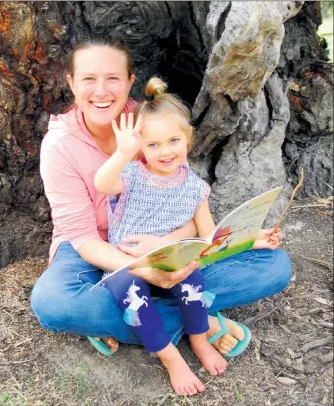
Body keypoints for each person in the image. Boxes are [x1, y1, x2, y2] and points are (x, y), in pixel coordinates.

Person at [30, 34, 291, 397]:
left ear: (130, 82)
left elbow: (182, 197)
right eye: (89, 78)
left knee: (275, 266)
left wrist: (168, 245)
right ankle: (199, 320)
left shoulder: (152, 121)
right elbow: (82, 235)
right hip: (90, 247)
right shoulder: (60, 145)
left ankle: (121, 317)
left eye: (113, 78)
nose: (101, 90)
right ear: (72, 83)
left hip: (160, 240)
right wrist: (138, 267)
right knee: (52, 302)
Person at [93, 76, 235, 393]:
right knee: (129, 292)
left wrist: (240, 236)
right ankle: (172, 359)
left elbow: (207, 231)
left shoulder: (196, 188)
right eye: (152, 144)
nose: (165, 152)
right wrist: (122, 154)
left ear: (189, 138)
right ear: (141, 147)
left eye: (173, 141)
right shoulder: (131, 175)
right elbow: (102, 184)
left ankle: (199, 340)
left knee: (195, 279)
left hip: (170, 262)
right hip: (128, 265)